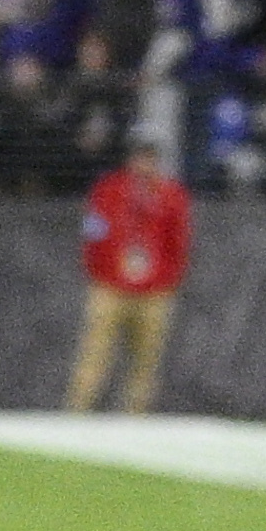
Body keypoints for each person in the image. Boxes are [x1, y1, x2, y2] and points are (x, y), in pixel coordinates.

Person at [69, 135, 192, 413]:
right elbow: (93, 232)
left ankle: (135, 419)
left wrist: (167, 280)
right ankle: (78, 414)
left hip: (153, 292)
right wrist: (98, 272)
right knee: (94, 355)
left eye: (150, 157)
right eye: (140, 156)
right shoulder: (109, 189)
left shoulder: (171, 195)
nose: (144, 164)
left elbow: (179, 241)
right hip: (110, 287)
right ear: (130, 159)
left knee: (145, 362)